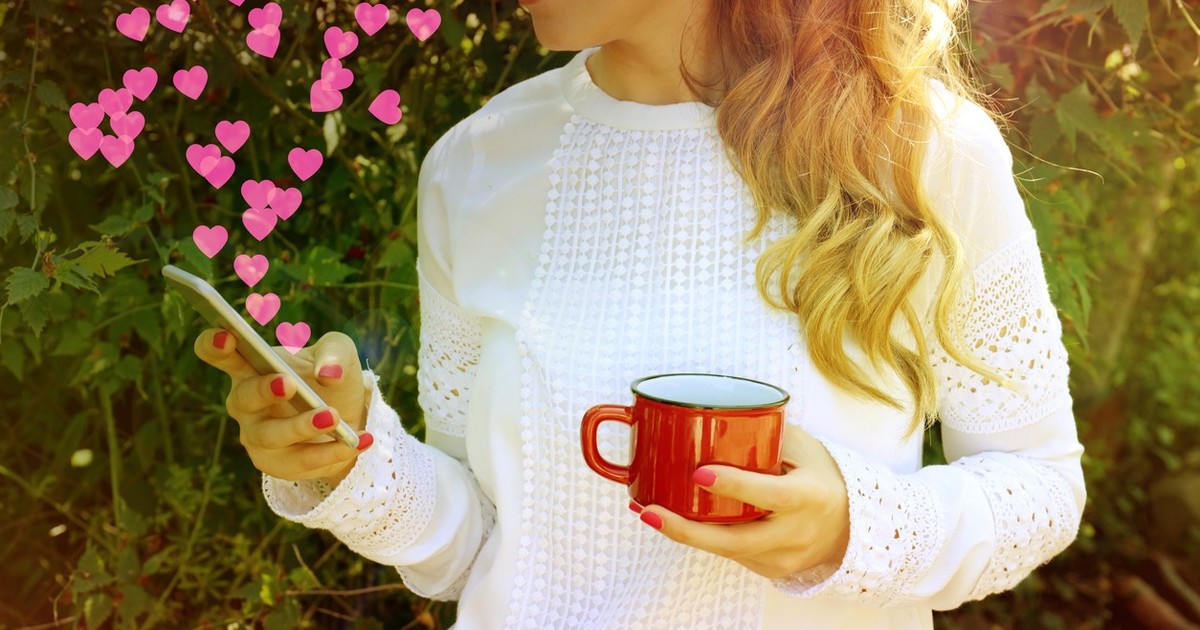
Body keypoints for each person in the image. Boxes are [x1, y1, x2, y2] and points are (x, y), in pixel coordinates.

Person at [194, 0, 1087, 627]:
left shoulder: (923, 152)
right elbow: (484, 549)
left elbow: (1042, 488)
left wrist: (854, 527)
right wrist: (352, 458)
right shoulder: (474, 166)